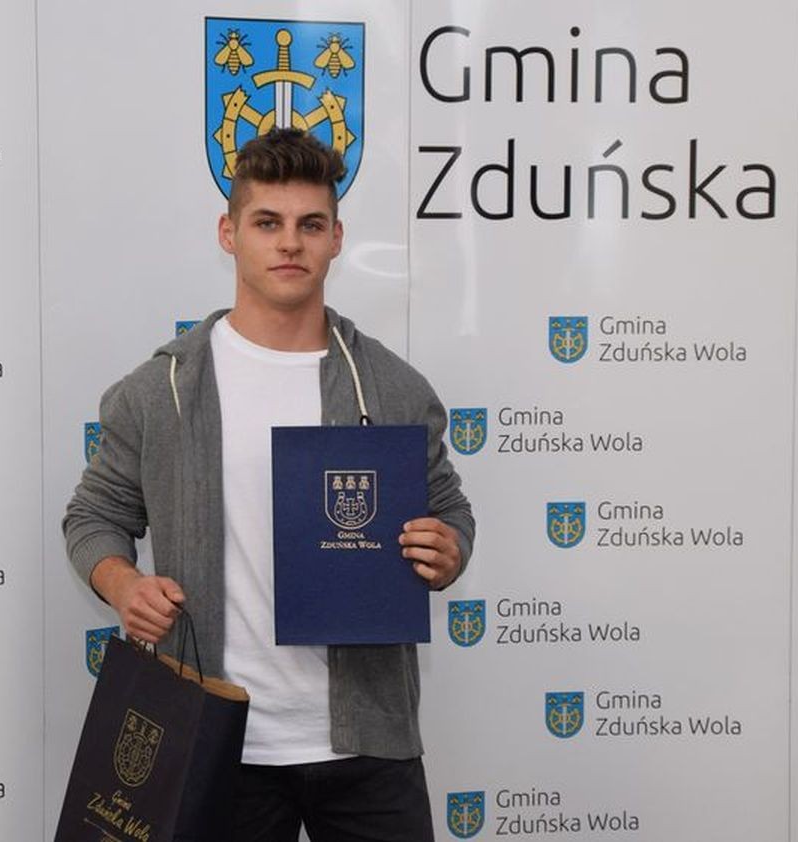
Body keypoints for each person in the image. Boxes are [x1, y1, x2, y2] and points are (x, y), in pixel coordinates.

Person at [63, 128, 475, 841]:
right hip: (219, 741)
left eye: (310, 225)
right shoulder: (161, 390)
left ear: (336, 239)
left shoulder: (393, 387)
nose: (290, 243)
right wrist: (123, 585)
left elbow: (451, 512)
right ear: (229, 234)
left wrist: (449, 550)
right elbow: (93, 516)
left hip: (370, 746)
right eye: (267, 223)